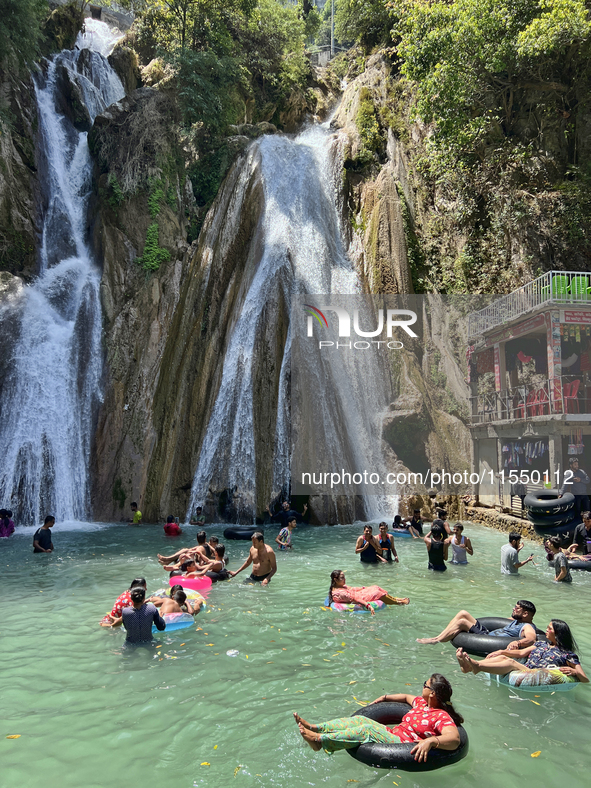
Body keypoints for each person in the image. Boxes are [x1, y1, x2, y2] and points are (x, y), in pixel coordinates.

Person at [293, 673, 462, 760]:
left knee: (367, 730)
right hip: (394, 734)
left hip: (403, 745)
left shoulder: (440, 715)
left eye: (425, 685)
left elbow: (454, 739)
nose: (422, 687)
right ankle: (316, 728)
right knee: (360, 720)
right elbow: (405, 697)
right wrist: (385, 697)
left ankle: (319, 742)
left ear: (432, 693)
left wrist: (432, 741)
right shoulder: (421, 703)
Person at [456, 620, 588, 686]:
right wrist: (501, 651)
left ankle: (476, 666)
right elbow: (521, 653)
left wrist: (575, 672)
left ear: (558, 633)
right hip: (525, 669)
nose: (546, 630)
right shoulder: (541, 644)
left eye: (549, 629)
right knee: (504, 657)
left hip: (536, 674)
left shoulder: (567, 654)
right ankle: (470, 666)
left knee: (510, 662)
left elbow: (585, 679)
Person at [417, 600, 537, 646]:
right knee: (463, 613)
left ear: (525, 614)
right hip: (488, 634)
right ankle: (438, 636)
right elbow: (499, 622)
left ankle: (436, 641)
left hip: (487, 640)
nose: (513, 609)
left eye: (517, 609)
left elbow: (531, 639)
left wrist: (517, 643)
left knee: (462, 622)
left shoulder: (527, 626)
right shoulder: (516, 621)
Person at [327, 570, 409, 614]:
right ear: (335, 580)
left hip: (359, 594)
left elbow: (353, 589)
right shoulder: (339, 593)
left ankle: (396, 599)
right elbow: (355, 599)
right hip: (360, 597)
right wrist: (368, 605)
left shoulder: (341, 586)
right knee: (377, 593)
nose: (345, 579)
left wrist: (364, 588)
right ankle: (398, 603)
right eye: (342, 578)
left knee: (375, 587)